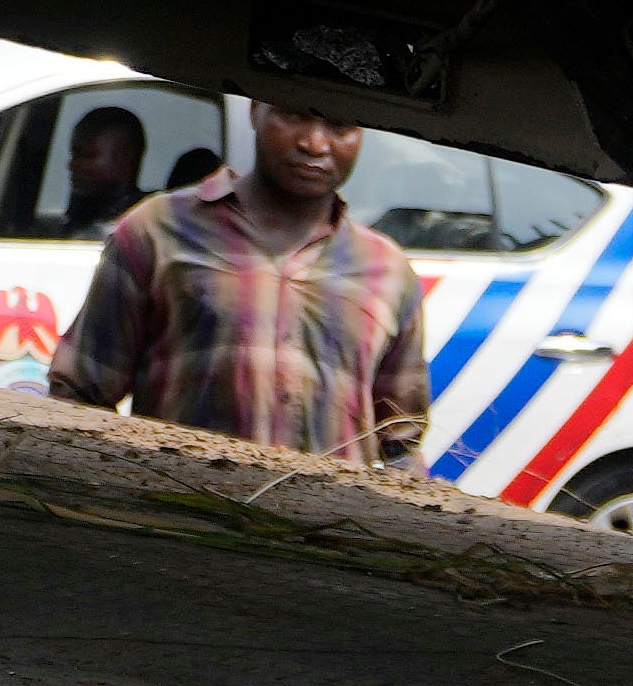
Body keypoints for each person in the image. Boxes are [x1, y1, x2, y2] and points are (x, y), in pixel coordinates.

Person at [48, 100, 434, 470]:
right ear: (255, 111)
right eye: (293, 115)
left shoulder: (387, 269)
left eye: (340, 126)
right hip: (181, 509)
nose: (315, 144)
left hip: (327, 516)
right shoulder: (157, 230)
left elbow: (401, 443)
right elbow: (80, 393)